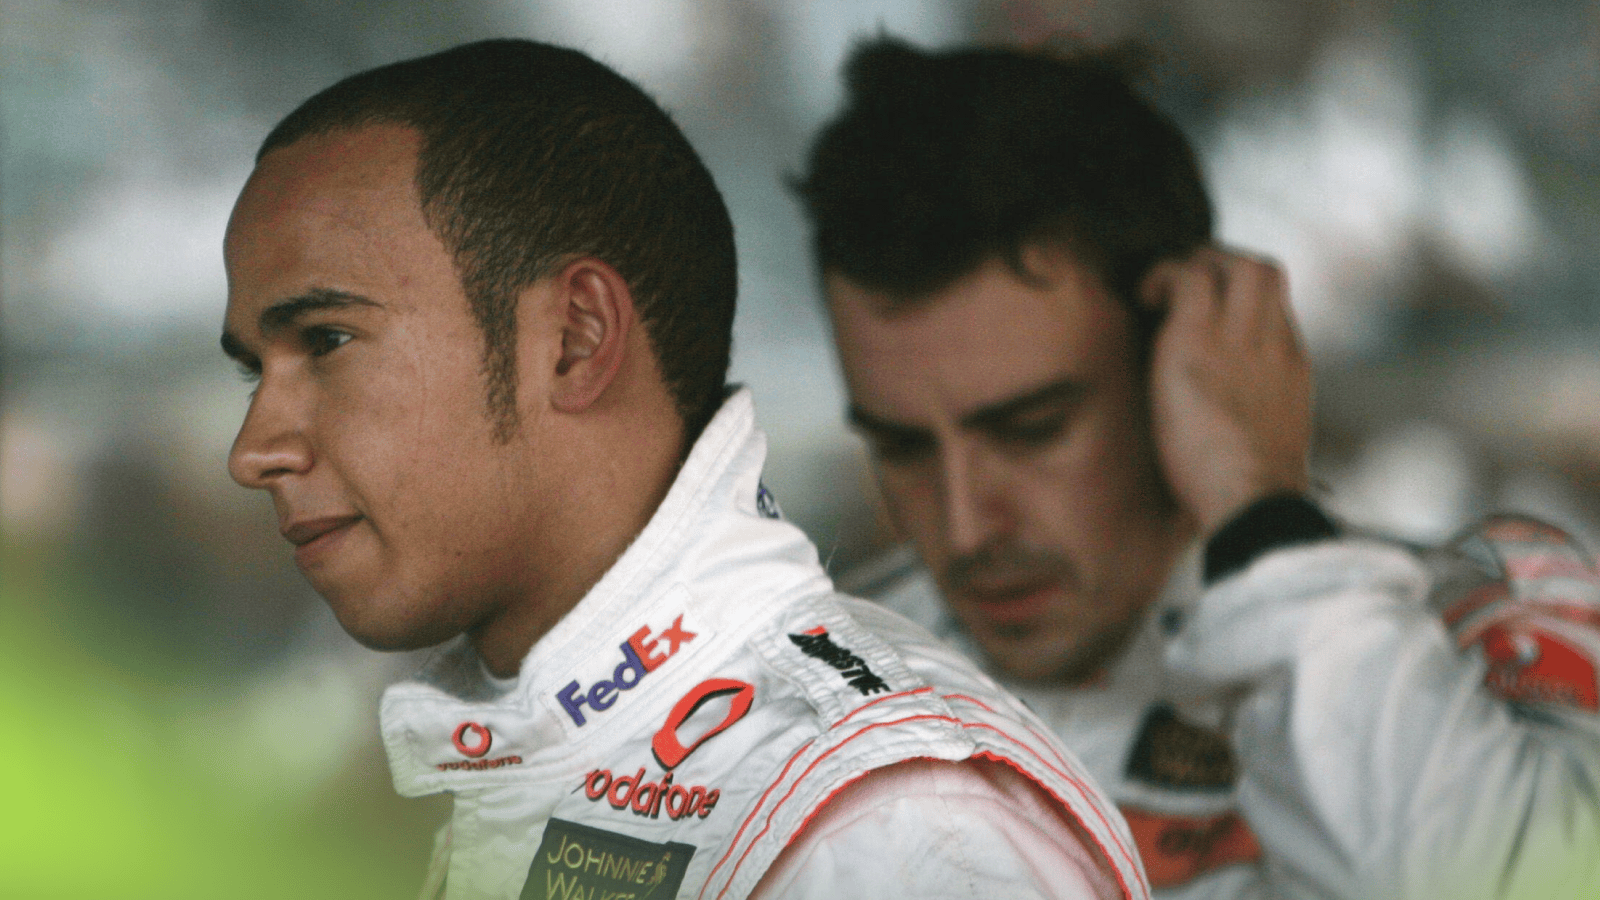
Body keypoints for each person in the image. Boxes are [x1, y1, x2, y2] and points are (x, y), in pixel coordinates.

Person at [219, 39, 1152, 900]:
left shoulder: (893, 830)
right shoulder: (531, 753)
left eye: (328, 340)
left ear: (575, 340)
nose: (254, 450)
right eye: (256, 370)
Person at [795, 37, 1600, 900]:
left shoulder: (1488, 616)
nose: (964, 525)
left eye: (1034, 429)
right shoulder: (799, 695)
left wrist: (1259, 513)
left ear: (1186, 354)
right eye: (903, 448)